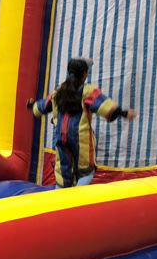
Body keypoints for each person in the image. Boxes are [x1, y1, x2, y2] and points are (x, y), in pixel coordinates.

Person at [27, 58, 137, 188]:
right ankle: (77, 198)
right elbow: (105, 106)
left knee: (64, 172)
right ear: (85, 74)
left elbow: (41, 107)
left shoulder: (59, 91)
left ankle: (59, 199)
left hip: (61, 137)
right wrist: (123, 113)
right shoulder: (87, 91)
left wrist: (32, 105)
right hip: (80, 138)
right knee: (86, 171)